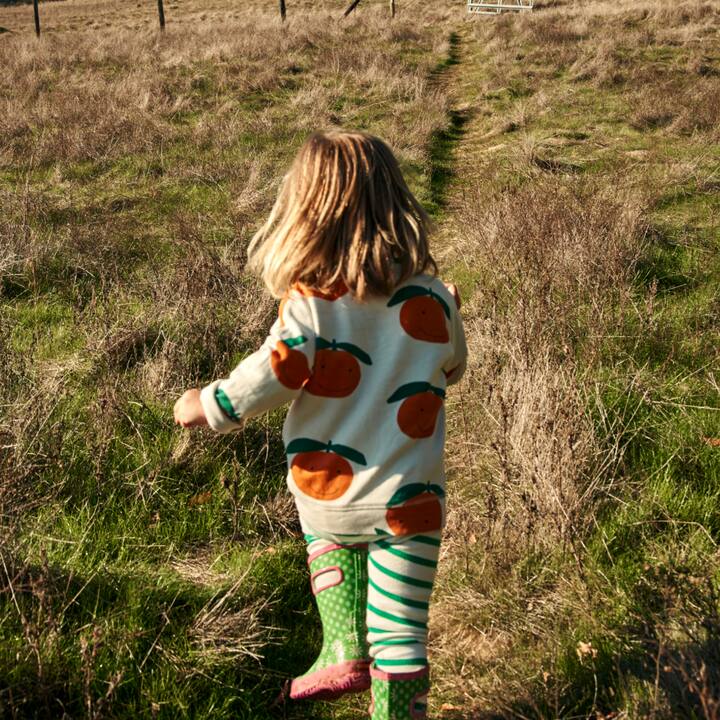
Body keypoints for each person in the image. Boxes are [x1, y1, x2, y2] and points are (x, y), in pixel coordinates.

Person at [173, 130, 466, 720]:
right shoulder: (434, 299)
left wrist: (206, 403)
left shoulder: (309, 306)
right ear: (396, 206)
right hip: (409, 503)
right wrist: (447, 309)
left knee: (331, 547)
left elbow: (271, 375)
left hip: (326, 499)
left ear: (305, 215)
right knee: (403, 636)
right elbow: (453, 368)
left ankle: (342, 647)